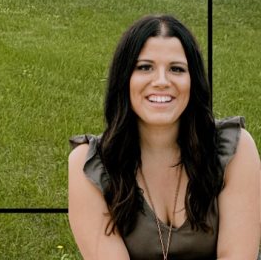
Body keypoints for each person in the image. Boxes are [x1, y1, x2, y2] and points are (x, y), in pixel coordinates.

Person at [68, 14, 260, 259]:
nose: (161, 81)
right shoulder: (89, 165)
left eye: (176, 69)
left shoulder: (235, 149)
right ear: (124, 78)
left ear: (193, 81)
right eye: (144, 67)